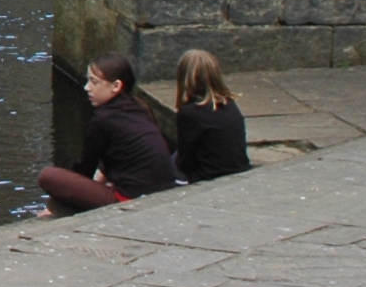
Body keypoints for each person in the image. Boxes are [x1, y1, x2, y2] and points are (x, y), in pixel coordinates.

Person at [37, 52, 177, 214]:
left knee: (48, 176)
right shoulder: (139, 107)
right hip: (163, 192)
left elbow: (85, 167)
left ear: (116, 86)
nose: (86, 88)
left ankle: (55, 210)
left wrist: (60, 197)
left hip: (132, 199)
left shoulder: (102, 119)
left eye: (94, 82)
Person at [173, 49, 250, 182]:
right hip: (238, 169)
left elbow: (185, 161)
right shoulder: (229, 104)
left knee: (162, 164)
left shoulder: (190, 113)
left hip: (208, 176)